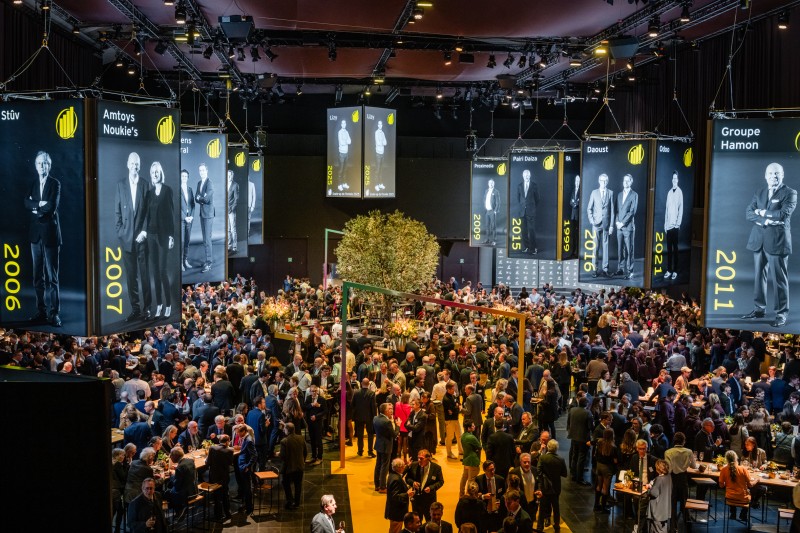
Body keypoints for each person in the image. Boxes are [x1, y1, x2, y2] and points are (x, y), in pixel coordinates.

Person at [740, 162, 797, 328]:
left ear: (782, 175)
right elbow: (748, 212)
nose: (774, 176)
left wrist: (762, 212)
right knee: (759, 277)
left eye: (777, 173)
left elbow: (783, 214)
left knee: (779, 280)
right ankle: (759, 309)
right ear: (766, 176)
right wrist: (765, 220)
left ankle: (781, 314)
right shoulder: (760, 192)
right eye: (771, 173)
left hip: (778, 242)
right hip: (759, 241)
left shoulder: (790, 193)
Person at [25, 150, 62, 327]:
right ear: (36, 166)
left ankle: (54, 314)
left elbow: (52, 206)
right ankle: (42, 311)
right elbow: (26, 202)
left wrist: (36, 207)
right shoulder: (33, 183)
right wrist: (40, 204)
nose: (42, 166)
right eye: (39, 163)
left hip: (50, 235)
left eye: (45, 163)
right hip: (35, 236)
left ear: (49, 165)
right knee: (37, 277)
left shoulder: (55, 184)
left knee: (52, 278)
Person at [115, 152, 151, 321]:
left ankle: (147, 309)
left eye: (137, 164)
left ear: (139, 165)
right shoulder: (120, 185)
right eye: (132, 163)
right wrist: (121, 232)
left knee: (145, 275)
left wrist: (144, 232)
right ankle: (135, 309)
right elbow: (117, 212)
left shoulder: (145, 184)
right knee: (131, 277)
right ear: (127, 164)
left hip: (142, 238)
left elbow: (148, 212)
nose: (134, 166)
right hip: (127, 239)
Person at [145, 161, 175, 318]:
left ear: (160, 173)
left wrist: (171, 236)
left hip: (163, 236)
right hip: (151, 235)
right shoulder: (149, 193)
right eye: (152, 172)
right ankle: (159, 305)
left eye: (157, 172)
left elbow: (171, 214)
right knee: (155, 272)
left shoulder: (167, 190)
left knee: (163, 271)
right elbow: (147, 215)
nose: (154, 174)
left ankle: (168, 304)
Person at [586, 173, 615, 278]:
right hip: (596, 224)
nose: (604, 182)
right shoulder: (594, 193)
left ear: (607, 182)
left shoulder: (611, 193)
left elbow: (612, 211)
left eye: (605, 181)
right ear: (599, 181)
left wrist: (611, 226)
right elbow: (589, 208)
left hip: (606, 224)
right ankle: (594, 269)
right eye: (602, 180)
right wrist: (592, 221)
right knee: (595, 247)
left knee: (606, 248)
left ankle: (605, 269)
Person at [535, 440, 567, 533]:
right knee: (556, 509)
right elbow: (564, 474)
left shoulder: (543, 458)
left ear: (548, 447)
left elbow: (538, 471)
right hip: (556, 488)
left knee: (542, 509)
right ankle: (557, 527)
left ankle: (539, 528)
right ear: (557, 448)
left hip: (545, 488)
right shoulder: (561, 459)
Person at [405, 449, 444, 522]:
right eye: (418, 458)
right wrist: (413, 483)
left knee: (430, 522)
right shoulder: (414, 465)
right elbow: (407, 478)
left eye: (421, 458)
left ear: (428, 458)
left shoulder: (436, 468)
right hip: (416, 500)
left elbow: (440, 482)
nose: (419, 460)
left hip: (429, 500)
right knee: (417, 522)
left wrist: (431, 488)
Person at [719, 450, 756, 521]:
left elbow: (721, 486)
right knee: (752, 493)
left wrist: (727, 483)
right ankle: (743, 514)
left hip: (730, 498)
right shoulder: (743, 469)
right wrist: (757, 480)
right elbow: (750, 485)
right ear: (736, 458)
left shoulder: (724, 470)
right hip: (743, 498)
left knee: (731, 494)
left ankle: (733, 513)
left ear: (726, 459)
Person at [614, 173, 638, 279]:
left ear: (631, 182)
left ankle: (630, 271)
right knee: (620, 249)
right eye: (624, 180)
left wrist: (622, 223)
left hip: (628, 227)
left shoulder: (634, 195)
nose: (625, 182)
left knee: (629, 250)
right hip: (619, 227)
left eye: (628, 180)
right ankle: (620, 269)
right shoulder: (619, 194)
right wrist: (616, 222)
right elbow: (616, 211)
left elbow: (632, 212)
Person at [205, 433, 234, 521]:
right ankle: (228, 513)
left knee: (217, 496)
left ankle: (218, 516)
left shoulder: (212, 448)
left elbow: (208, 463)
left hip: (214, 476)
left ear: (219, 440)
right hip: (225, 476)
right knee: (225, 494)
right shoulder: (230, 450)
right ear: (228, 441)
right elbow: (230, 463)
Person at [280, 422, 307, 510]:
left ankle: (290, 500)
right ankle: (297, 502)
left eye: (284, 429)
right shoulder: (301, 438)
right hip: (299, 466)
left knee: (285, 483)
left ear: (287, 430)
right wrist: (302, 461)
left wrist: (278, 454)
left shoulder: (284, 441)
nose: (283, 430)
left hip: (289, 468)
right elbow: (305, 452)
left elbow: (283, 456)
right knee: (298, 485)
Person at [165, 446, 197, 519]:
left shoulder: (180, 467)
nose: (170, 457)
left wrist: (172, 477)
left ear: (175, 456)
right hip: (193, 490)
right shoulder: (190, 461)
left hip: (186, 494)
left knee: (167, 492)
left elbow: (177, 485)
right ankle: (180, 509)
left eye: (171, 455)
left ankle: (179, 511)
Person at [566, 396, 593, 485]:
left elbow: (568, 423)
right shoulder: (588, 413)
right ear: (587, 404)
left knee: (574, 456)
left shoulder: (572, 410)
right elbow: (590, 426)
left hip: (573, 437)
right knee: (581, 458)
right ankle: (580, 478)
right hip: (583, 439)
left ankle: (573, 475)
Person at [475, 460, 506, 533]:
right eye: (490, 470)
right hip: (483, 513)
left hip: (496, 513)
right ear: (484, 470)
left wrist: (500, 502)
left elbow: (504, 494)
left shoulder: (500, 479)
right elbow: (475, 496)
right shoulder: (478, 479)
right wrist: (483, 496)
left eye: (493, 469)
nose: (492, 472)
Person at [194, 162, 214, 273]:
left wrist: (200, 198)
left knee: (207, 239)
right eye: (200, 170)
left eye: (203, 170)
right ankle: (207, 260)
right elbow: (196, 198)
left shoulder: (209, 183)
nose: (201, 172)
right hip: (202, 213)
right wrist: (201, 198)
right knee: (205, 239)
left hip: (208, 214)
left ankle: (209, 263)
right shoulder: (199, 183)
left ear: (207, 171)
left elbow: (206, 199)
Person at [375, 402, 399, 493]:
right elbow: (394, 434)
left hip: (378, 444)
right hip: (386, 446)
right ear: (385, 411)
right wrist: (398, 425)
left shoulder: (376, 418)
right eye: (389, 409)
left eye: (392, 408)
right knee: (384, 467)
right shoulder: (387, 422)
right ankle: (382, 487)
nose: (392, 410)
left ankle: (377, 485)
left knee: (378, 465)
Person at [664, 170, 684, 280]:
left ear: (678, 180)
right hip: (668, 226)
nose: (674, 180)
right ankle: (669, 270)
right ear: (672, 180)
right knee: (669, 250)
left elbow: (681, 209)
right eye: (673, 178)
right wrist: (665, 224)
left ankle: (675, 270)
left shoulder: (679, 192)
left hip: (675, 227)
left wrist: (677, 224)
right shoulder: (669, 192)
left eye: (676, 178)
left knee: (675, 250)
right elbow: (666, 210)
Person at [386, 458, 414, 533]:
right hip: (397, 512)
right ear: (398, 468)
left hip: (394, 510)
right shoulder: (396, 479)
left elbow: (401, 475)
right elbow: (395, 496)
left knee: (394, 529)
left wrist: (408, 466)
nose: (404, 467)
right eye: (403, 466)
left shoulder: (392, 475)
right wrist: (407, 494)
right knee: (395, 530)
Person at [645, 459, 673, 533]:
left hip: (658, 511)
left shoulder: (659, 479)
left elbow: (654, 493)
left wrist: (649, 489)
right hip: (665, 509)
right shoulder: (669, 477)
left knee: (657, 529)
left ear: (658, 469)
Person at [235, 424, 257, 515]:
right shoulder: (246, 438)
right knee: (245, 487)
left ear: (244, 431)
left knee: (247, 488)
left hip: (245, 467)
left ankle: (249, 508)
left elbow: (254, 455)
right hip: (242, 466)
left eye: (238, 433)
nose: (237, 435)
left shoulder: (249, 440)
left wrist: (248, 466)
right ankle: (246, 505)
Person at [353, 377, 377, 457]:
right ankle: (370, 451)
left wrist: (354, 415)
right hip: (369, 417)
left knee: (360, 435)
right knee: (370, 434)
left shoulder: (356, 392)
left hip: (358, 417)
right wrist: (375, 417)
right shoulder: (371, 393)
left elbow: (353, 404)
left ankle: (360, 451)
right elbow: (373, 406)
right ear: (369, 384)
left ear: (361, 383)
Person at [517, 168, 539, 254]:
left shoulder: (534, 185)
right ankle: (526, 247)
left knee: (531, 230)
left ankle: (533, 248)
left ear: (530, 176)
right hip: (522, 212)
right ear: (523, 176)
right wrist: (523, 206)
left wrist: (532, 207)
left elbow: (537, 199)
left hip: (531, 212)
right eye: (525, 175)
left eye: (528, 175)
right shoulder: (519, 186)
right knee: (524, 231)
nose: (526, 176)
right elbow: (518, 198)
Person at [460, 419, 482, 497]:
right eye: (472, 426)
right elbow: (479, 447)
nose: (474, 426)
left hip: (466, 460)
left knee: (464, 478)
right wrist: (476, 449)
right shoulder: (471, 437)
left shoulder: (463, 436)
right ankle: (469, 496)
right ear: (469, 428)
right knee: (471, 480)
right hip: (472, 460)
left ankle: (461, 495)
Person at [179, 169, 194, 271]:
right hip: (182, 219)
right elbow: (177, 205)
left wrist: (191, 216)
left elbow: (193, 204)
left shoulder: (190, 189)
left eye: (185, 176)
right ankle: (180, 263)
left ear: (188, 178)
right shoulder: (177, 189)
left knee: (187, 241)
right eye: (182, 176)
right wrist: (184, 217)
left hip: (190, 219)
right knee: (182, 241)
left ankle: (185, 260)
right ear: (180, 177)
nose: (184, 178)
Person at [336, 119, 352, 191]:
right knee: (341, 170)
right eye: (342, 123)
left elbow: (350, 141)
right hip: (341, 154)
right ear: (341, 124)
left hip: (346, 153)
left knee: (345, 170)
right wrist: (346, 141)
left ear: (345, 124)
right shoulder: (339, 132)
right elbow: (342, 142)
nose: (344, 124)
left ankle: (344, 183)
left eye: (345, 123)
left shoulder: (347, 132)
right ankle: (339, 185)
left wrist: (345, 141)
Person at [226, 169, 239, 253]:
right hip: (225, 210)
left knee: (233, 229)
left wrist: (231, 209)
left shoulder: (235, 185)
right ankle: (229, 246)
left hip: (231, 210)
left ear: (232, 176)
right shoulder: (225, 183)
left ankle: (234, 247)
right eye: (228, 175)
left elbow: (236, 199)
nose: (229, 177)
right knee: (228, 229)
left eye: (230, 175)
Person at [373, 120, 387, 191]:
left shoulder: (383, 133)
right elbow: (378, 143)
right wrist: (382, 142)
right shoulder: (376, 132)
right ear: (378, 125)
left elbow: (385, 143)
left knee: (381, 170)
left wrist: (382, 142)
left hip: (382, 154)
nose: (380, 125)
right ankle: (376, 185)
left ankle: (380, 184)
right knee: (377, 170)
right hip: (378, 154)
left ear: (382, 125)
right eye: (379, 124)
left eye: (381, 124)